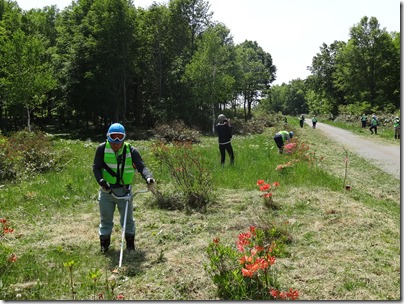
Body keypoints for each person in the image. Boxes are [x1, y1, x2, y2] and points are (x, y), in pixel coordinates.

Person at [92, 123, 155, 253]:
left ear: (124, 138)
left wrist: (148, 178)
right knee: (106, 219)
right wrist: (101, 181)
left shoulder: (131, 151)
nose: (116, 142)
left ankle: (130, 247)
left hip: (124, 192)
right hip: (106, 190)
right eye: (113, 137)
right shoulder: (102, 149)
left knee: (128, 220)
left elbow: (141, 166)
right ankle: (105, 247)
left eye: (119, 138)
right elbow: (96, 167)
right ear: (108, 137)